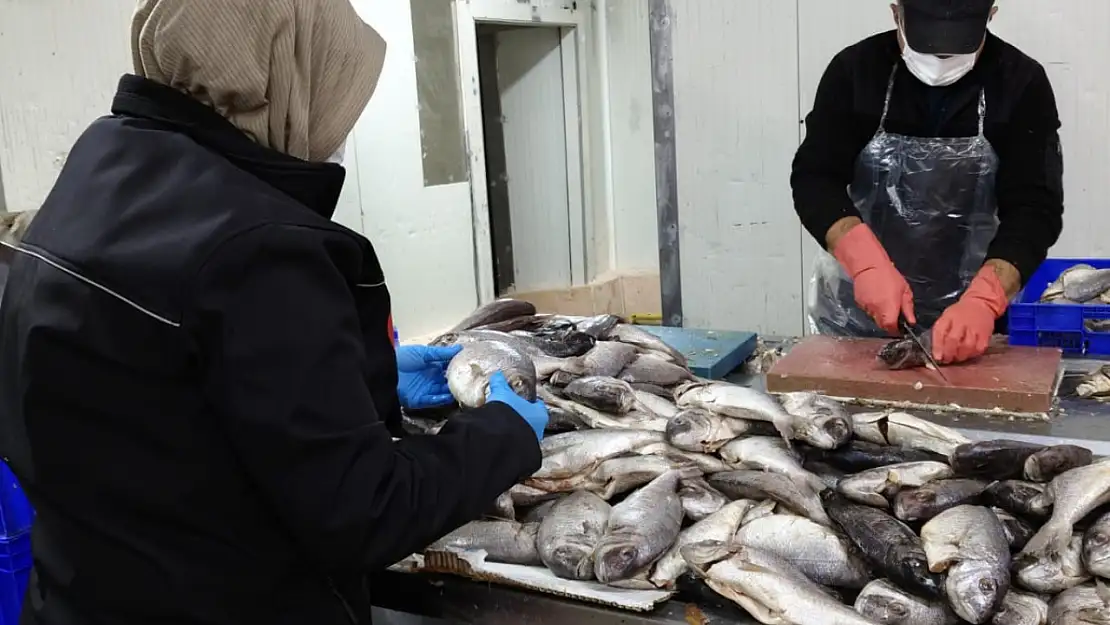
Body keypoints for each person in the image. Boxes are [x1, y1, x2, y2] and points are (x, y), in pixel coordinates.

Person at [0, 1, 549, 624]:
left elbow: (148, 391)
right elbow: (365, 512)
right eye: (338, 102)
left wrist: (352, 374)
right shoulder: (259, 246)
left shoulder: (97, 172)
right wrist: (504, 434)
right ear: (286, 81)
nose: (337, 133)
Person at [792, 0, 1064, 364]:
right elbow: (815, 177)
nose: (940, 58)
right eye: (927, 40)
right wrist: (865, 262)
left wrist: (985, 299)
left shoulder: (1020, 83)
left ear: (990, 16)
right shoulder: (855, 72)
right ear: (896, 13)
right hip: (854, 318)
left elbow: (1035, 207)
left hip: (972, 326)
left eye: (959, 41)